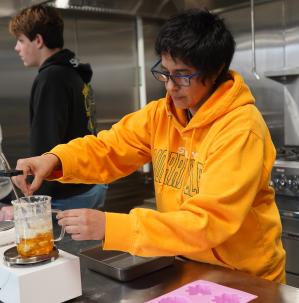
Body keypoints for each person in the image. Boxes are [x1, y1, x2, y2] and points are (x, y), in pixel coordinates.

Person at [13, 9, 285, 282]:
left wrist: (112, 226)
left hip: (246, 277)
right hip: (189, 264)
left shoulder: (240, 129)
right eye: (165, 73)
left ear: (214, 71)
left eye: (182, 75)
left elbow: (208, 222)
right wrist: (55, 160)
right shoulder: (161, 114)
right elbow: (109, 148)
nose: (170, 86)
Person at [8, 4, 107, 210]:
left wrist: (32, 200)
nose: (17, 48)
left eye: (20, 40)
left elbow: (45, 143)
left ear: (38, 40)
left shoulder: (51, 78)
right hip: (89, 185)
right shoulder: (73, 72)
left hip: (67, 194)